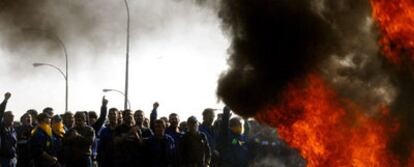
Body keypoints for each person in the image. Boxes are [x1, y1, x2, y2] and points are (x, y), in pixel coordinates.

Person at [0, 92, 17, 167]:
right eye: (10, 116)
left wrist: (16, 156)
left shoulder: (13, 130)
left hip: (13, 160)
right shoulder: (1, 127)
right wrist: (5, 100)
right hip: (3, 160)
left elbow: (15, 145)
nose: (12, 118)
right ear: (4, 117)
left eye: (13, 116)